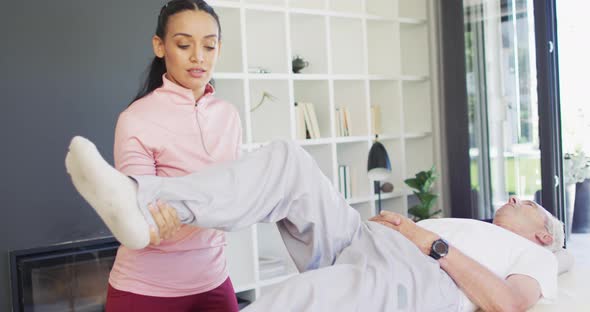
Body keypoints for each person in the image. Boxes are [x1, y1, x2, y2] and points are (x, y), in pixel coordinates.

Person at [65, 136, 563, 312]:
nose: (518, 196)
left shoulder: (538, 256)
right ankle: (138, 200)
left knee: (296, 299)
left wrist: (426, 239)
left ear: (542, 232)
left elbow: (507, 304)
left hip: (415, 275)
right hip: (369, 237)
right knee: (286, 161)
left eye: (531, 204)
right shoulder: (482, 228)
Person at [107, 0, 242, 311]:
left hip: (213, 279)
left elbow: (234, 196)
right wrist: (152, 223)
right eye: (184, 44)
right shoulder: (136, 118)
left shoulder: (229, 116)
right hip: (145, 290)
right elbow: (138, 217)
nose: (198, 57)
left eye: (209, 46)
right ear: (159, 46)